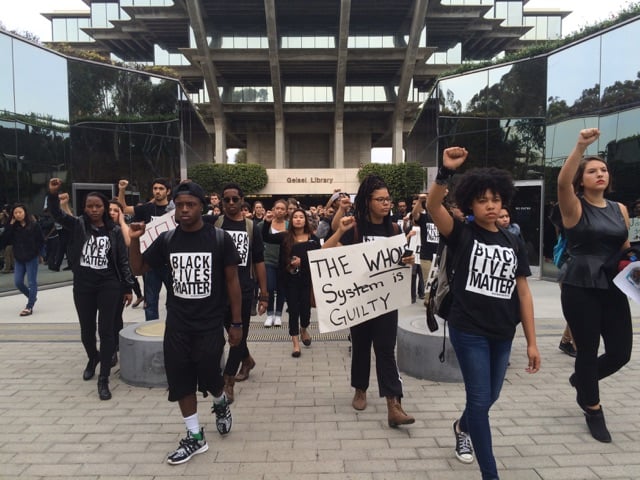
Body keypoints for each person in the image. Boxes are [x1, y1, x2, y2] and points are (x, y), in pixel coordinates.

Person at [426, 147, 540, 480]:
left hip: (504, 331)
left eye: (495, 199)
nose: (491, 205)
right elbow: (434, 206)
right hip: (469, 329)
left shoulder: (513, 239)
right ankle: (490, 473)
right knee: (479, 399)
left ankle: (462, 425)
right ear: (470, 205)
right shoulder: (462, 233)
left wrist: (532, 343)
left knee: (490, 396)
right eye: (482, 200)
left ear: (504, 200)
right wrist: (445, 172)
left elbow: (523, 292)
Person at [128, 181, 242, 465]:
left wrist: (237, 323)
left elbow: (232, 282)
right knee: (180, 379)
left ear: (201, 206)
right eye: (179, 205)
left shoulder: (219, 239)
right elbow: (139, 268)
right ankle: (195, 437)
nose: (184, 210)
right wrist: (133, 240)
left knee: (209, 372)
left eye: (190, 205)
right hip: (177, 323)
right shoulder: (167, 240)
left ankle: (219, 402)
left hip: (210, 323)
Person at [557, 128, 632, 443]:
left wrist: (633, 267)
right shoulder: (574, 207)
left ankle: (582, 381)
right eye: (592, 170)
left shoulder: (621, 210)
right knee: (587, 349)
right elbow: (562, 182)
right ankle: (592, 406)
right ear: (582, 179)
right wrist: (579, 147)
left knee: (620, 352)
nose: (599, 173)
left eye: (603, 169)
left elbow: (625, 249)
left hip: (614, 286)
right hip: (581, 286)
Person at [323, 174, 415, 428]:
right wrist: (340, 228)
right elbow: (327, 253)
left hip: (386, 301)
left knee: (386, 349)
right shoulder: (354, 228)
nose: (387, 204)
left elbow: (399, 264)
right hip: (358, 302)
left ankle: (393, 404)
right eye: (380, 199)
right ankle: (360, 389)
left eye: (388, 199)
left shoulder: (395, 230)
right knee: (361, 347)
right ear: (368, 201)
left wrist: (407, 262)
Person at [47, 179, 134, 401]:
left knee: (106, 332)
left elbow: (123, 261)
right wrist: (53, 193)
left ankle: (103, 379)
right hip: (84, 285)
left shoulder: (113, 230)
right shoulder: (78, 225)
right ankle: (93, 358)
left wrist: (128, 287)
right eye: (89, 206)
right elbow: (56, 214)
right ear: (84, 208)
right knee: (87, 331)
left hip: (108, 285)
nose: (94, 210)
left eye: (98, 206)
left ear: (104, 208)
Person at [207, 183, 268, 401]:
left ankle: (228, 380)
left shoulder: (252, 228)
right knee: (232, 333)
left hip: (243, 290)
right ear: (221, 202)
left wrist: (264, 294)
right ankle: (247, 360)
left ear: (242, 201)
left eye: (235, 199)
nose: (231, 203)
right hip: (217, 291)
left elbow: (259, 261)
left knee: (237, 334)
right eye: (227, 199)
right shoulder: (215, 224)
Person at [262, 208, 321, 357]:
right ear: (291, 220)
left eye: (301, 217)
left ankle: (304, 329)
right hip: (289, 280)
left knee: (306, 312)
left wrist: (303, 261)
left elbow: (318, 257)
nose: (298, 219)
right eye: (295, 217)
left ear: (306, 220)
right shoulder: (285, 237)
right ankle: (295, 343)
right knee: (293, 310)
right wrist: (267, 222)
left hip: (307, 281)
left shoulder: (313, 238)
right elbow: (266, 237)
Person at [118, 178, 173, 321]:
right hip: (150, 263)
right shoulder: (147, 208)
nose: (157, 191)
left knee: (174, 301)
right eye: (155, 188)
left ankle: (174, 330)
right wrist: (122, 189)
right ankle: (150, 332)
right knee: (150, 302)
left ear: (168, 191)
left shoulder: (175, 210)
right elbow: (124, 208)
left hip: (170, 263)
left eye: (161, 188)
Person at [108, 199, 144, 366]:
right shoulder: (98, 228)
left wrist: (122, 221)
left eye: (116, 210)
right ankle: (109, 348)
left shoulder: (120, 229)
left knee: (115, 317)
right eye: (110, 210)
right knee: (106, 319)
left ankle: (114, 349)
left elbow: (129, 241)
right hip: (100, 281)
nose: (112, 213)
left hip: (119, 281)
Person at [0, 204, 44, 316]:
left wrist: (40, 254)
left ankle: (29, 306)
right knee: (18, 282)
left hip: (31, 257)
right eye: (15, 213)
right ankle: (32, 297)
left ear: (25, 212)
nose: (18, 214)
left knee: (31, 281)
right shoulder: (13, 227)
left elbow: (40, 240)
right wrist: (10, 225)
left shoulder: (34, 225)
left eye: (20, 212)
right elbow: (4, 240)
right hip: (19, 258)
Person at [261, 199, 288, 328]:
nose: (279, 211)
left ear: (286, 211)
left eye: (282, 209)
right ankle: (269, 314)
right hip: (268, 259)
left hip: (284, 262)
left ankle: (278, 315)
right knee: (270, 288)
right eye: (277, 208)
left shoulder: (289, 225)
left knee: (282, 288)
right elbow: (261, 236)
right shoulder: (265, 223)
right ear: (273, 209)